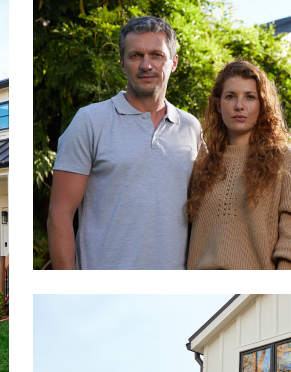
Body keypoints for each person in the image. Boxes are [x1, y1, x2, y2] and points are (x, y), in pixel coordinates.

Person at [47, 16, 203, 270]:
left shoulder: (191, 127)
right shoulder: (90, 122)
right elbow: (60, 214)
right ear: (121, 63)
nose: (146, 65)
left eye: (156, 55)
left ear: (173, 62)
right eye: (135, 56)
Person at [186, 60, 291, 270]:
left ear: (262, 104)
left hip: (258, 300)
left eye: (250, 97)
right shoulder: (202, 167)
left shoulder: (283, 159)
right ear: (218, 105)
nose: (239, 105)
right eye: (230, 96)